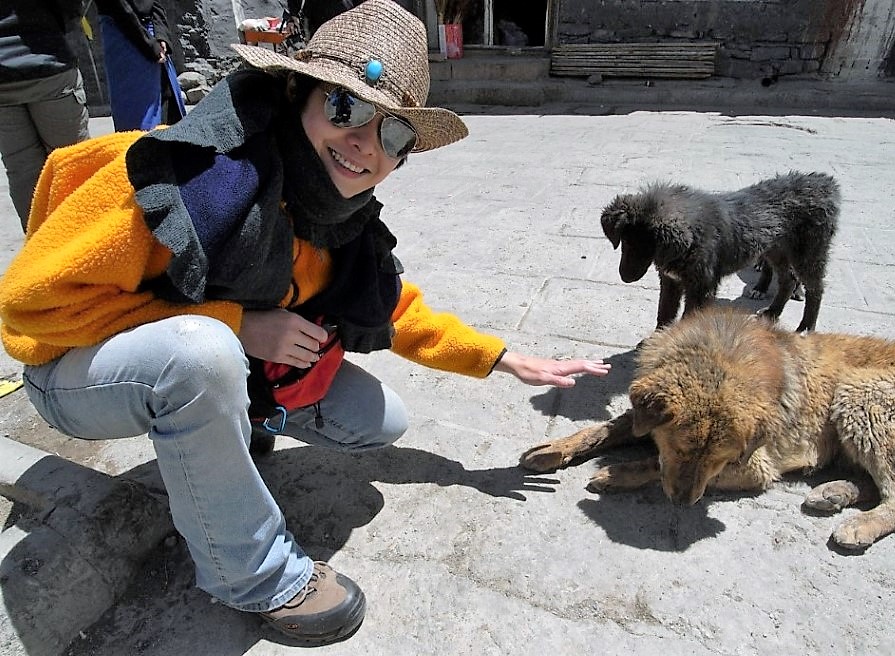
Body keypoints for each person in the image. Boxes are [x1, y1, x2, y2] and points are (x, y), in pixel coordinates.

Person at [0, 0, 609, 646]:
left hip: (188, 356)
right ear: (296, 93)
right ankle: (257, 577)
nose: (364, 146)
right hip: (68, 369)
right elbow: (27, 306)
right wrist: (238, 323)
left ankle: (234, 426)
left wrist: (499, 357)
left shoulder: (336, 219)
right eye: (345, 109)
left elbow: (396, 308)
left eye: (394, 135)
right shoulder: (174, 177)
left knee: (378, 420)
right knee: (200, 354)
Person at [0, 0, 90, 231]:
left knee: (22, 171)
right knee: (74, 162)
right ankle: (86, 247)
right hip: (48, 62)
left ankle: (42, 253)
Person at [94, 0, 185, 130]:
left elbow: (155, 4)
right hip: (126, 40)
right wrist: (149, 44)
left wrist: (161, 35)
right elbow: (119, 10)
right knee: (138, 123)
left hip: (154, 41)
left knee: (170, 110)